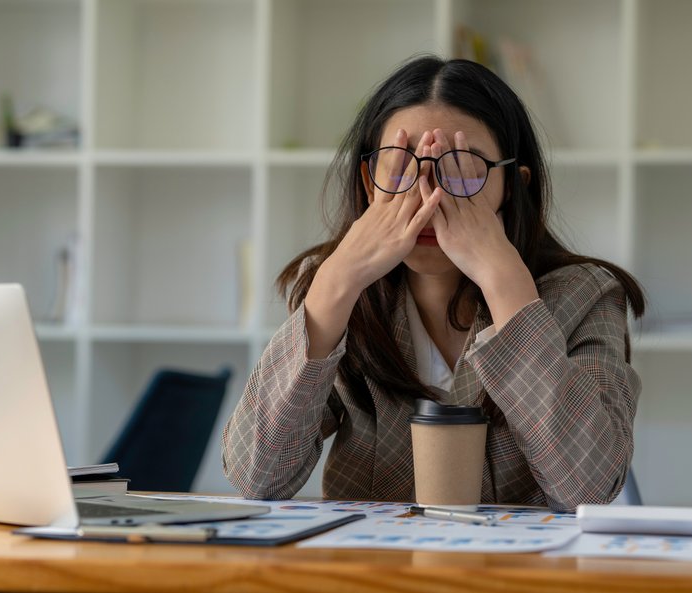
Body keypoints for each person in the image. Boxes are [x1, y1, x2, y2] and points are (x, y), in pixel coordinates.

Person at [221, 56, 645, 512]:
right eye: (400, 165)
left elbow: (589, 488)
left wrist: (507, 286)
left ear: (513, 186)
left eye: (461, 168)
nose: (427, 194)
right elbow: (255, 477)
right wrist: (335, 283)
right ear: (368, 183)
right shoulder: (338, 293)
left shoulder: (586, 295)